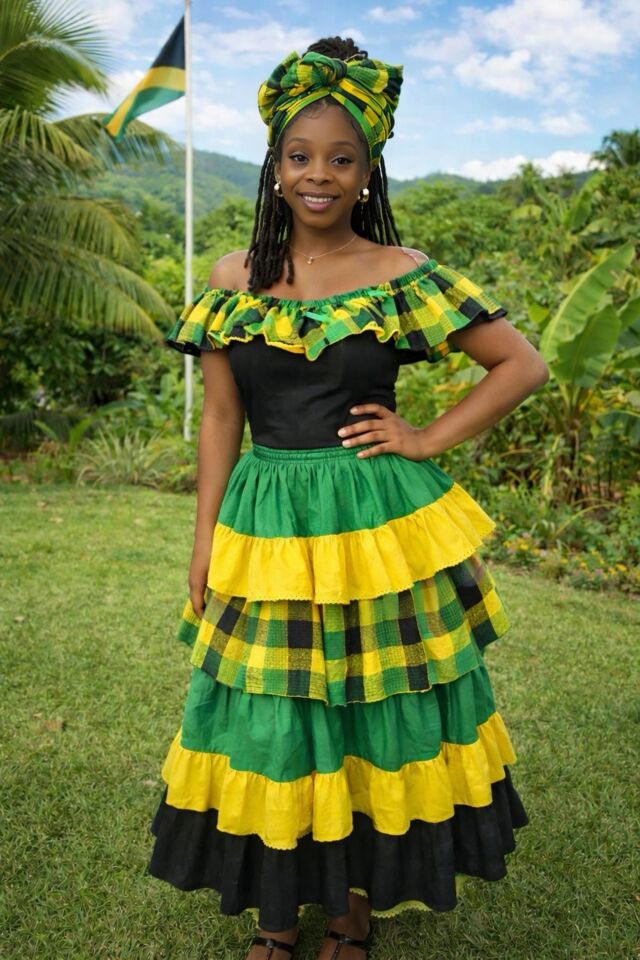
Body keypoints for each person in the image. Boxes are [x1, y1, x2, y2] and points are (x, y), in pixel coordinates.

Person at [147, 35, 546, 960]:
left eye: (340, 159)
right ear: (274, 166)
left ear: (368, 173)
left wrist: (424, 436)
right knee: (276, 709)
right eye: (300, 156)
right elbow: (222, 417)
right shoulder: (233, 279)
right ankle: (278, 918)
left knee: (371, 707)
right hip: (269, 522)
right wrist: (204, 541)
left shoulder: (402, 272)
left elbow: (519, 364)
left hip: (374, 526)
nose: (318, 175)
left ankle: (353, 912)